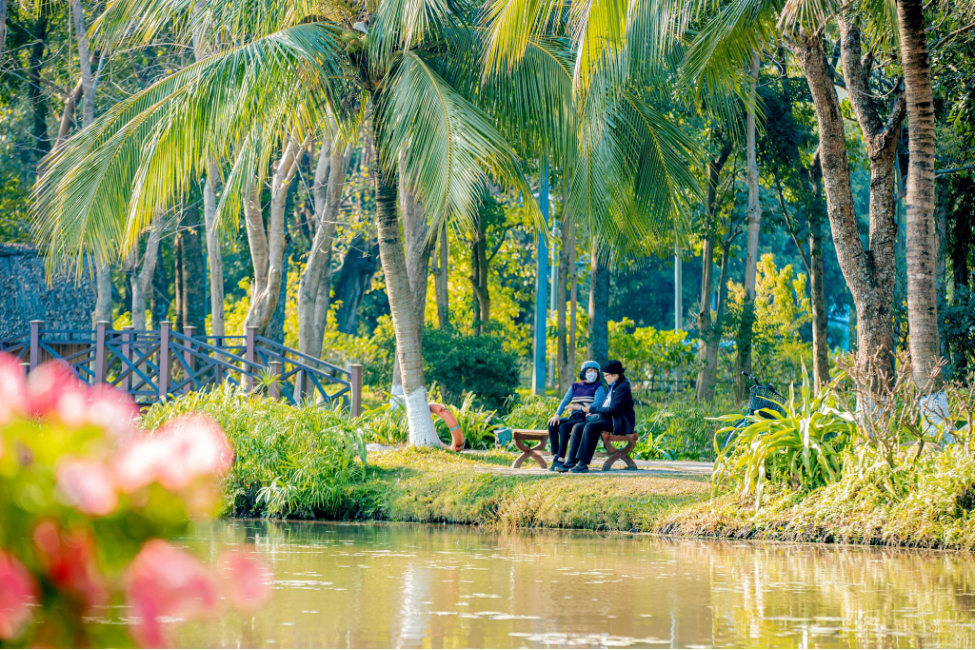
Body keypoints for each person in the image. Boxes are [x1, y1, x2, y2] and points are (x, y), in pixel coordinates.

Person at [556, 360, 635, 474]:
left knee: (591, 427)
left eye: (606, 376)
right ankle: (571, 462)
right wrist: (596, 414)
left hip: (619, 422)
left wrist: (590, 409)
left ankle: (583, 464)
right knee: (578, 427)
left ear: (615, 375)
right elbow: (606, 406)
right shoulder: (613, 385)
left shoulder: (623, 387)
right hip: (608, 418)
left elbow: (613, 409)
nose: (605, 378)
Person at [546, 361, 606, 471]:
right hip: (573, 417)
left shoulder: (598, 386)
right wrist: (557, 414)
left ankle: (561, 459)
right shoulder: (575, 386)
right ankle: (556, 456)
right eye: (590, 370)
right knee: (552, 423)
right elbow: (565, 401)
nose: (592, 373)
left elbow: (598, 403)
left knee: (564, 427)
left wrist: (581, 407)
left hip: (585, 418)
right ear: (584, 372)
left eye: (595, 371)